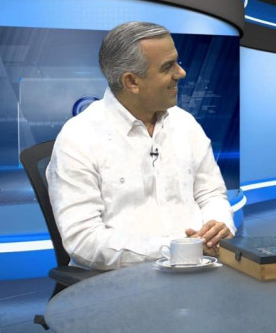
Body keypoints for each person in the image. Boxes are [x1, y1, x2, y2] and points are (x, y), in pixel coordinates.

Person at [47, 22, 236, 270]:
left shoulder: (185, 124)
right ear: (132, 82)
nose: (181, 73)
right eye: (168, 67)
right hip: (123, 280)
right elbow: (84, 241)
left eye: (177, 62)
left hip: (201, 268)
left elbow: (211, 194)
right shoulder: (78, 138)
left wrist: (216, 228)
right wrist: (178, 248)